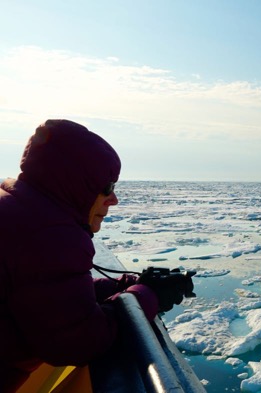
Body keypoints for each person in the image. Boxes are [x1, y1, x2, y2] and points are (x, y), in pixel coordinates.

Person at [0, 120, 192, 392]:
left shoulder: (17, 209)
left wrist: (120, 286)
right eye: (107, 186)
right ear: (75, 185)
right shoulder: (47, 234)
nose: (113, 199)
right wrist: (148, 296)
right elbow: (78, 342)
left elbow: (41, 293)